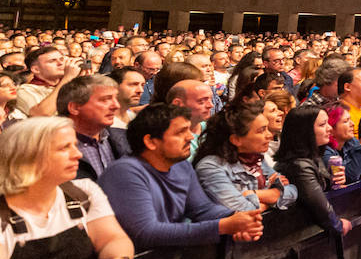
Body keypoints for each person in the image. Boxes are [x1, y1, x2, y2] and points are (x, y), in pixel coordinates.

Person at [0, 117, 147, 259]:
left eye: (75, 146)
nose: (77, 154)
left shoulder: (83, 192)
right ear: (28, 156)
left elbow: (111, 238)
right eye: (64, 148)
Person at [99, 104, 264, 249]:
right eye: (180, 132)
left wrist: (237, 219)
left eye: (188, 130)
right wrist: (222, 226)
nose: (190, 137)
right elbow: (146, 233)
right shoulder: (124, 172)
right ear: (150, 142)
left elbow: (203, 209)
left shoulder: (180, 165)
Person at [193, 101, 297, 212]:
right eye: (261, 130)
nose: (269, 135)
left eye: (267, 129)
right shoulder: (210, 167)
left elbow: (292, 192)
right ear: (236, 140)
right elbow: (242, 209)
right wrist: (272, 195)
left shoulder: (254, 157)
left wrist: (254, 193)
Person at [273, 106, 351, 236]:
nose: (329, 128)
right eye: (322, 124)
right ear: (305, 131)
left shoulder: (313, 156)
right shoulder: (299, 166)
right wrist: (339, 225)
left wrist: (334, 180)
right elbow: (319, 207)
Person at [58, 75, 130, 181]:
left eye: (116, 99)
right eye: (105, 100)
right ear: (75, 108)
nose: (116, 106)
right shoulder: (52, 148)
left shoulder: (126, 137)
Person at [323, 105, 361, 195]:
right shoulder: (325, 151)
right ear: (331, 127)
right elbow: (350, 176)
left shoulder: (350, 141)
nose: (352, 124)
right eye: (346, 121)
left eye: (350, 119)